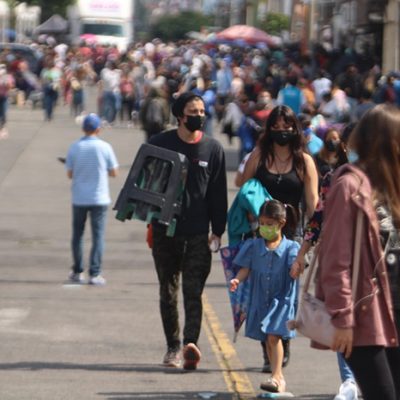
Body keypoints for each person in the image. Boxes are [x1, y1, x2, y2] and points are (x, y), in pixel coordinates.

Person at [316, 104, 400, 400]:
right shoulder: (349, 185)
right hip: (366, 315)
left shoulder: (393, 184)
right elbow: (335, 260)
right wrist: (342, 317)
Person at [148, 92, 228, 370]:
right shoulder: (160, 144)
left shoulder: (213, 149)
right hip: (165, 230)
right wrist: (149, 221)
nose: (200, 116)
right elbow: (146, 184)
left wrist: (218, 230)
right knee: (168, 291)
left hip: (198, 232)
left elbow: (218, 193)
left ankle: (190, 344)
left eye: (202, 111)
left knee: (193, 291)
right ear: (180, 115)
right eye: (194, 112)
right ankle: (172, 347)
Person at [238, 104, 319, 372]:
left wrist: (312, 242)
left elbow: (313, 204)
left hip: (292, 238)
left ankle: (281, 341)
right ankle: (268, 349)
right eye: (276, 127)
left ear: (296, 129)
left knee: (286, 294)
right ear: (268, 129)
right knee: (262, 292)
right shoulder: (260, 156)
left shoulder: (304, 162)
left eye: (287, 127)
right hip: (262, 235)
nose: (282, 132)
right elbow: (243, 187)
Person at [290, 122, 359, 400]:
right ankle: (349, 381)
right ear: (345, 146)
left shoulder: (386, 178)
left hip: (378, 266)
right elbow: (317, 219)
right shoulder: (333, 179)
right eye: (354, 143)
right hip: (342, 262)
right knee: (342, 317)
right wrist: (301, 254)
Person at [230, 199, 300, 394]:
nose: (264, 227)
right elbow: (246, 268)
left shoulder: (291, 248)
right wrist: (237, 279)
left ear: (281, 223)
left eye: (269, 224)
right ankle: (278, 377)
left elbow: (296, 266)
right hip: (261, 299)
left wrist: (296, 268)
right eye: (262, 223)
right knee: (268, 339)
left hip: (281, 300)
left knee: (273, 337)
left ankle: (277, 376)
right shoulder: (254, 246)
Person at [65, 113, 119, 285]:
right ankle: (95, 273)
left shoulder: (75, 147)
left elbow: (69, 173)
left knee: (78, 235)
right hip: (99, 197)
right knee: (98, 236)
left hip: (79, 197)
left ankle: (78, 271)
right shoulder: (105, 147)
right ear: (98, 129)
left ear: (83, 129)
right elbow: (114, 172)